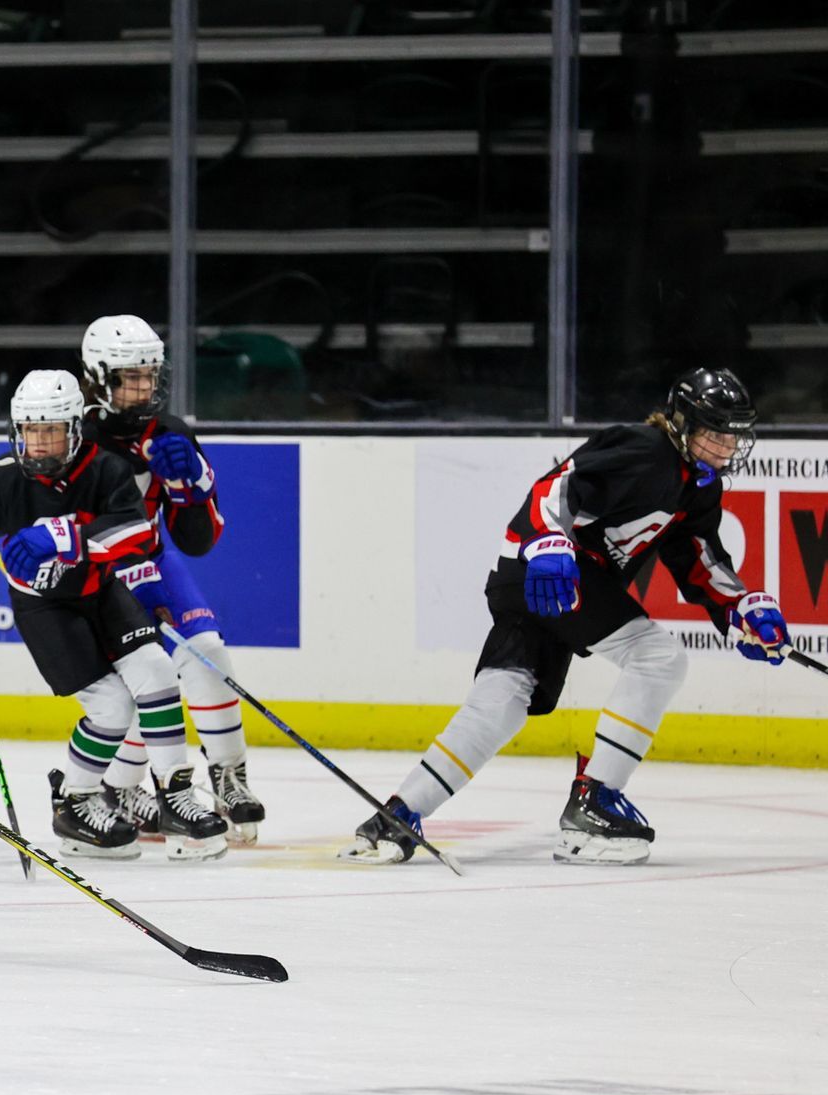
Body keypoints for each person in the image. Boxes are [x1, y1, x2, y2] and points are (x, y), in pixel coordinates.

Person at [341, 367, 787, 867]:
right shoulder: (645, 448)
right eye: (716, 430)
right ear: (683, 422)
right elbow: (558, 486)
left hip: (538, 583)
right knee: (657, 658)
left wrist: (742, 606)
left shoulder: (697, 488)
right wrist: (547, 542)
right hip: (551, 572)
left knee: (502, 702)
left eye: (734, 433)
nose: (728, 444)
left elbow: (699, 558)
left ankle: (397, 815)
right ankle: (595, 801)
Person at [0, 369, 227, 861]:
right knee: (111, 709)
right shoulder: (0, 479)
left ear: (74, 430)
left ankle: (175, 795)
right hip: (45, 607)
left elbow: (139, 535)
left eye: (51, 431)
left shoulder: (104, 469)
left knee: (158, 672)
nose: (39, 443)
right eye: (30, 431)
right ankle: (75, 801)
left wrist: (63, 536)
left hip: (103, 591)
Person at [76, 314, 264, 850]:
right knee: (145, 685)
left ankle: (229, 775)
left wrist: (190, 486)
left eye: (149, 374)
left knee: (205, 649)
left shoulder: (173, 433)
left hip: (153, 562)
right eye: (128, 376)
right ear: (96, 377)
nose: (143, 388)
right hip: (95, 578)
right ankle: (115, 786)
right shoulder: (77, 437)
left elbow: (198, 541)